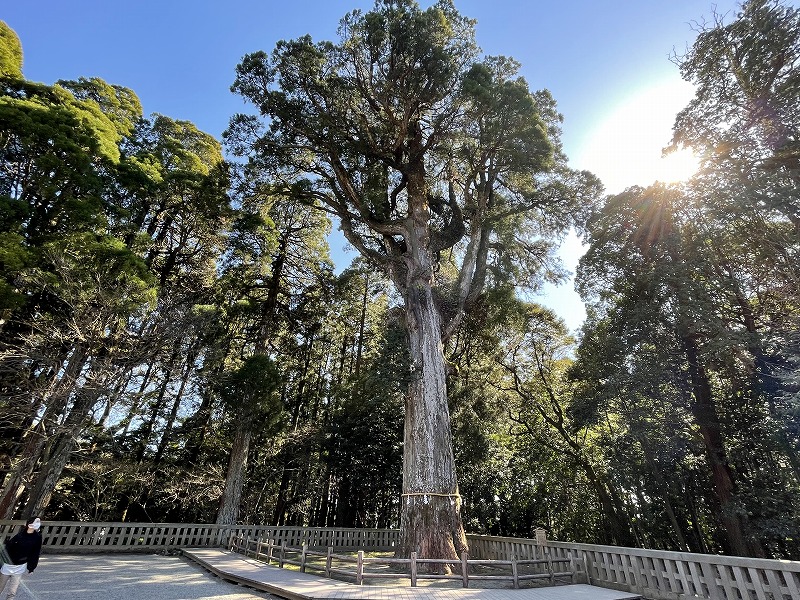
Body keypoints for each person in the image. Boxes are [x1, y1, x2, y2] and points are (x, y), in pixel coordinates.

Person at [0, 516, 42, 599]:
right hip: (7, 565)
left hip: (20, 567)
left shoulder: (37, 537)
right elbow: (7, 548)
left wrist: (31, 567)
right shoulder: (20, 535)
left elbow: (35, 553)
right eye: (35, 522)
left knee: (12, 592)